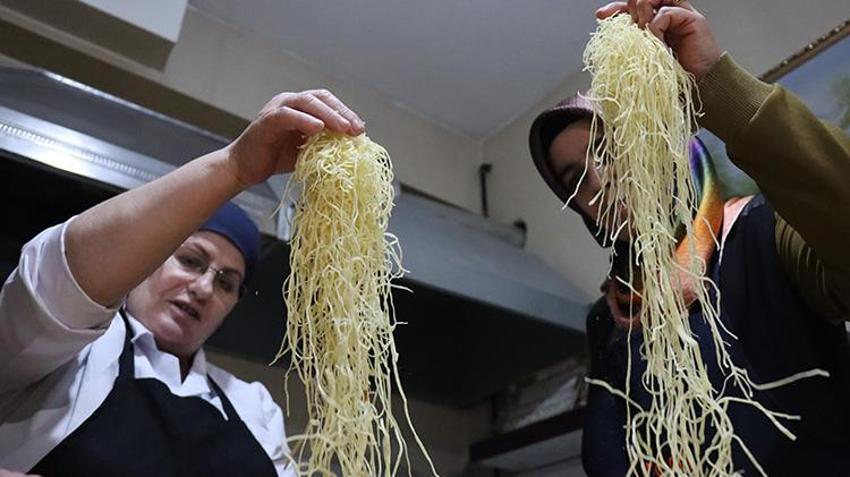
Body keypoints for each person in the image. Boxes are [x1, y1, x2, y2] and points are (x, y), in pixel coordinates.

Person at [528, 1, 850, 474]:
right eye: (574, 176)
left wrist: (716, 84)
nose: (597, 179)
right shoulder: (611, 315)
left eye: (608, 147)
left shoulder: (760, 231)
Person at [0, 89, 365, 476]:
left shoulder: (252, 406)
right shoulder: (68, 354)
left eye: (227, 283)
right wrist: (234, 166)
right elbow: (58, 281)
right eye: (191, 261)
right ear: (148, 257)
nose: (204, 287)